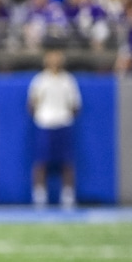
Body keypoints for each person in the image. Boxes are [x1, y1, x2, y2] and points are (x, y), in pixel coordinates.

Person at [27, 48, 82, 208]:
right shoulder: (40, 80)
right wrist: (42, 116)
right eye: (51, 58)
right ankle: (39, 196)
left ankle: (68, 196)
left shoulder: (68, 80)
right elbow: (31, 103)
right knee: (41, 162)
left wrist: (64, 116)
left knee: (67, 162)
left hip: (63, 123)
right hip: (45, 124)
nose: (55, 61)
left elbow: (75, 105)